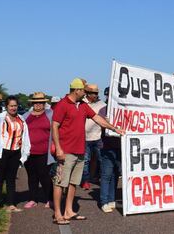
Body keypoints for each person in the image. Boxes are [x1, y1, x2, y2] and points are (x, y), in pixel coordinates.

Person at [52, 78, 124, 225]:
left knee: (73, 183)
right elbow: (55, 126)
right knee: (60, 183)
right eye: (84, 91)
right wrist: (58, 148)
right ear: (76, 90)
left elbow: (98, 118)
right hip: (66, 151)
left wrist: (114, 128)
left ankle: (69, 211)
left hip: (79, 149)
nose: (86, 93)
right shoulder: (62, 105)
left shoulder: (83, 105)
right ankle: (58, 214)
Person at [0, 96, 30, 212]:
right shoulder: (0, 118)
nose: (13, 108)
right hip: (1, 152)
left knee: (11, 179)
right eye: (11, 106)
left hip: (15, 152)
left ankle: (11, 204)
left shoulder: (21, 119)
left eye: (15, 106)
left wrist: (25, 155)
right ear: (7, 106)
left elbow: (26, 138)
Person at [22, 92, 54, 209]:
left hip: (45, 152)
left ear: (45, 103)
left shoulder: (50, 114)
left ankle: (50, 198)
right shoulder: (26, 116)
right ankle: (33, 199)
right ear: (32, 103)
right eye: (36, 102)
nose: (38, 105)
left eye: (41, 102)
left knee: (44, 175)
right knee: (31, 176)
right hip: (29, 152)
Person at [99, 87, 122, 213]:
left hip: (120, 147)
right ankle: (104, 201)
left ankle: (112, 199)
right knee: (106, 175)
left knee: (115, 174)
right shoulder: (103, 110)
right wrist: (106, 123)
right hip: (107, 147)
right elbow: (100, 125)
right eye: (107, 95)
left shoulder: (122, 110)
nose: (109, 98)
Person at [81, 84, 105, 190]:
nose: (94, 95)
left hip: (98, 136)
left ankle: (97, 178)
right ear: (87, 93)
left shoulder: (102, 104)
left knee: (100, 159)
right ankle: (85, 180)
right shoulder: (81, 103)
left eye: (96, 93)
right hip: (84, 137)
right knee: (85, 160)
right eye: (92, 93)